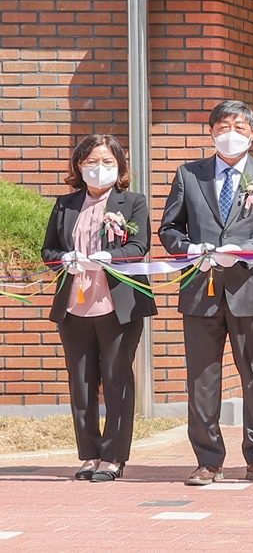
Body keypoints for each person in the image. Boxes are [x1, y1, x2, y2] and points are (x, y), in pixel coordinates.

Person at [158, 100, 253, 486]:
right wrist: (189, 249)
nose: (230, 134)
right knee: (202, 379)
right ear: (211, 132)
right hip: (201, 289)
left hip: (252, 288)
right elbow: (169, 227)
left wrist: (243, 250)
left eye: (239, 127)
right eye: (222, 127)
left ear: (252, 133)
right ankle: (208, 459)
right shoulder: (189, 174)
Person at [41, 134, 152, 482]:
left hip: (117, 305)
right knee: (82, 382)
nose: (98, 168)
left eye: (107, 162)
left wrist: (109, 257)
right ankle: (89, 454)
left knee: (117, 379)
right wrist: (64, 258)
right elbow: (49, 250)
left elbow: (139, 246)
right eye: (91, 161)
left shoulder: (132, 202)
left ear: (119, 166)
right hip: (74, 306)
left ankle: (114, 457)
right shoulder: (65, 204)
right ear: (79, 165)